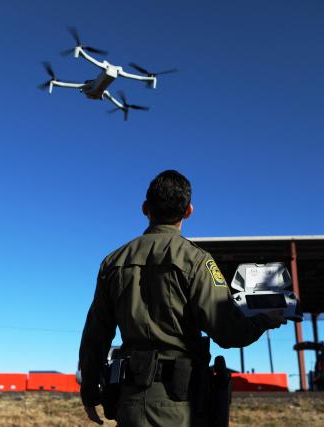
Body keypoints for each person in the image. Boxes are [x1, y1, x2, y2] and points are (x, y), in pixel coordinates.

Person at [79, 170, 286, 426]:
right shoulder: (197, 261)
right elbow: (229, 332)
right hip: (181, 406)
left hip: (129, 403)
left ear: (145, 208)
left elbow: (95, 335)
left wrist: (89, 391)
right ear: (188, 211)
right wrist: (266, 320)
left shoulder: (113, 263)